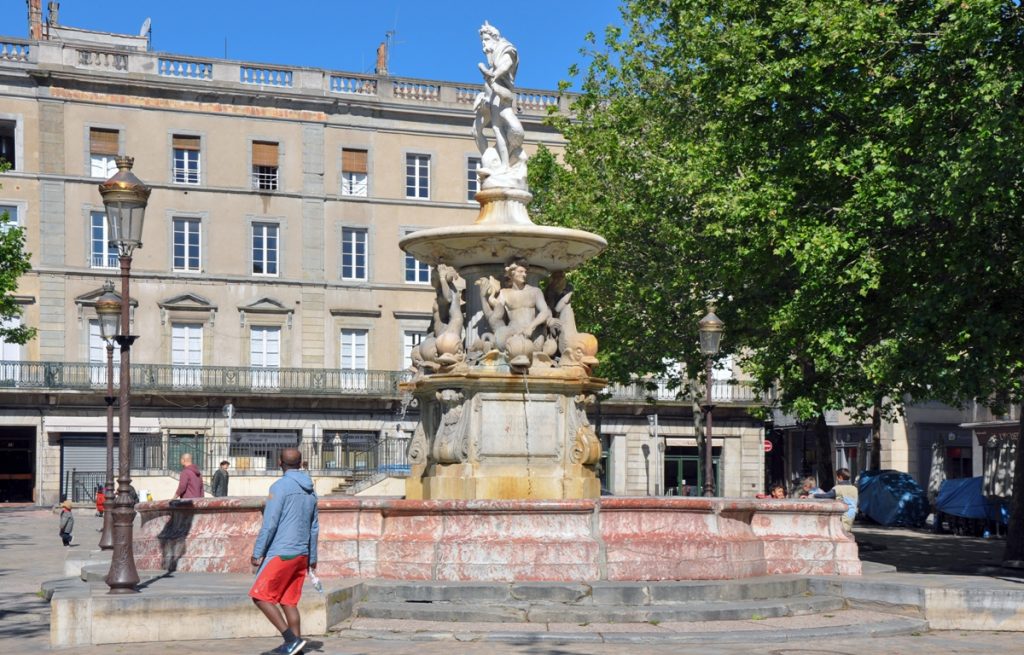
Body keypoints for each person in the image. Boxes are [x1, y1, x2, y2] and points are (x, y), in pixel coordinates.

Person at [250, 448, 319, 655]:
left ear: (280, 462)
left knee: (259, 596)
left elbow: (270, 524)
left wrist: (257, 552)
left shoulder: (279, 487)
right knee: (288, 601)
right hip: (302, 554)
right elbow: (314, 527)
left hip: (282, 552)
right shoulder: (311, 490)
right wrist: (312, 558)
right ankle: (296, 648)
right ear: (300, 463)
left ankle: (290, 640)